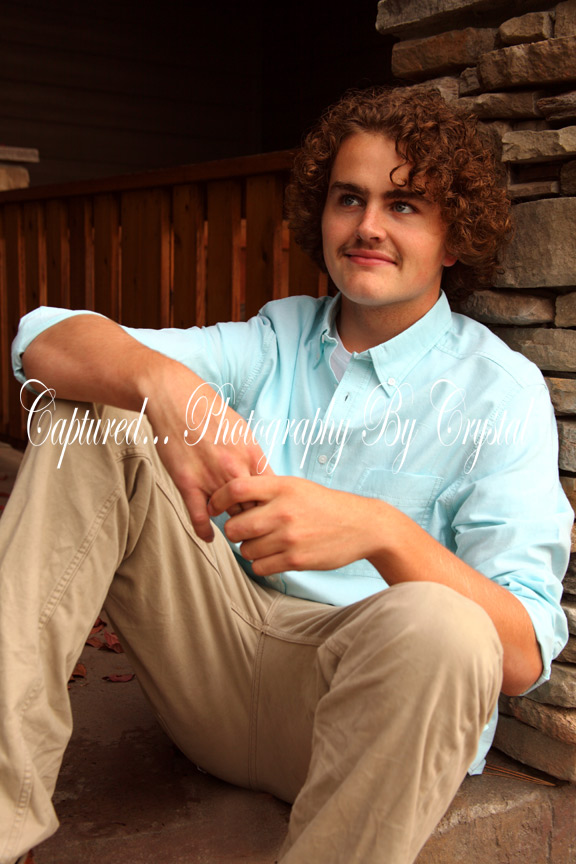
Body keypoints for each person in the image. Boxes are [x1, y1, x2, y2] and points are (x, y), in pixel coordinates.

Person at [0, 87, 571, 864]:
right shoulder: (278, 338)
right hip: (213, 668)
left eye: (403, 205)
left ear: (453, 237)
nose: (368, 226)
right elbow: (41, 341)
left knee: (449, 625)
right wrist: (163, 385)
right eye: (349, 199)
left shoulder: (498, 393)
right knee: (95, 412)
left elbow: (523, 655)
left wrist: (379, 532)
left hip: (365, 722)